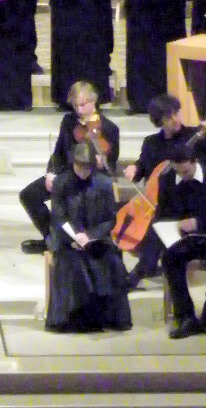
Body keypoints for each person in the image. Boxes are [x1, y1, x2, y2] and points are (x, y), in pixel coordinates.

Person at [121, 94, 206, 289]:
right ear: (159, 121)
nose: (175, 120)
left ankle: (140, 271)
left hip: (196, 205)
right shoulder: (151, 143)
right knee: (154, 221)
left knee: (158, 223)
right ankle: (142, 268)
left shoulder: (198, 136)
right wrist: (135, 169)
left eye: (176, 114)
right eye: (168, 117)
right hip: (169, 206)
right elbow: (144, 168)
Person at [19, 80, 119, 253]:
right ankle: (51, 238)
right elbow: (58, 152)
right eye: (75, 105)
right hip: (65, 174)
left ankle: (76, 240)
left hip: (89, 177)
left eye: (83, 105)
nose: (79, 110)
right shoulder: (69, 122)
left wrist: (101, 163)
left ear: (94, 100)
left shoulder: (110, 128)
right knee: (28, 195)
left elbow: (112, 161)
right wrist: (51, 173)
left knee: (71, 204)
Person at [45, 141, 131, 333]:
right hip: (68, 239)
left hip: (96, 238)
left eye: (87, 169)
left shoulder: (104, 183)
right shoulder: (61, 182)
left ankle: (106, 317)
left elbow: (111, 219)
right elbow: (58, 217)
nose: (83, 173)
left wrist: (91, 235)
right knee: (75, 263)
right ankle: (77, 318)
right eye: (80, 168)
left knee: (112, 260)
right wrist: (75, 236)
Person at [155, 139, 206, 337]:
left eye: (186, 172)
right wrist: (171, 225)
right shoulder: (166, 180)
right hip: (183, 237)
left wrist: (198, 222)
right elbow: (162, 213)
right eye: (179, 172)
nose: (183, 176)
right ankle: (186, 317)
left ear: (194, 161)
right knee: (170, 258)